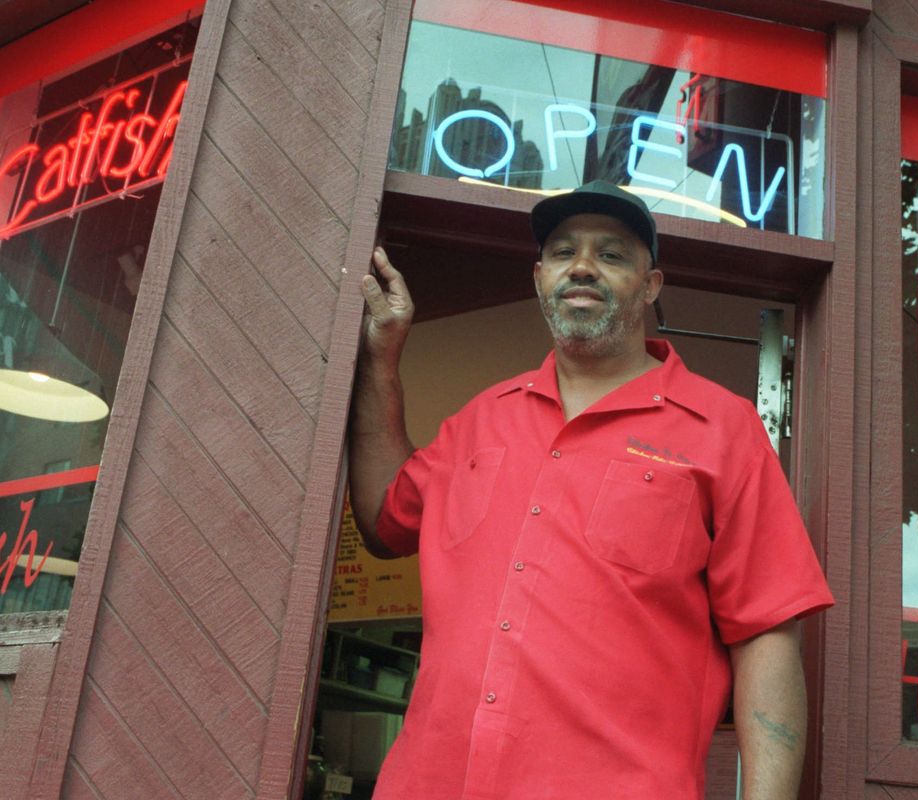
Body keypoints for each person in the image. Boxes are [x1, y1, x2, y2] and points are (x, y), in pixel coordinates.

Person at [349, 181, 833, 800]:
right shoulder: (480, 420)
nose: (581, 267)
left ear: (651, 286)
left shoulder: (723, 428)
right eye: (562, 252)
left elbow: (766, 634)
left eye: (610, 254)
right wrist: (380, 361)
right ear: (538, 276)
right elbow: (383, 520)